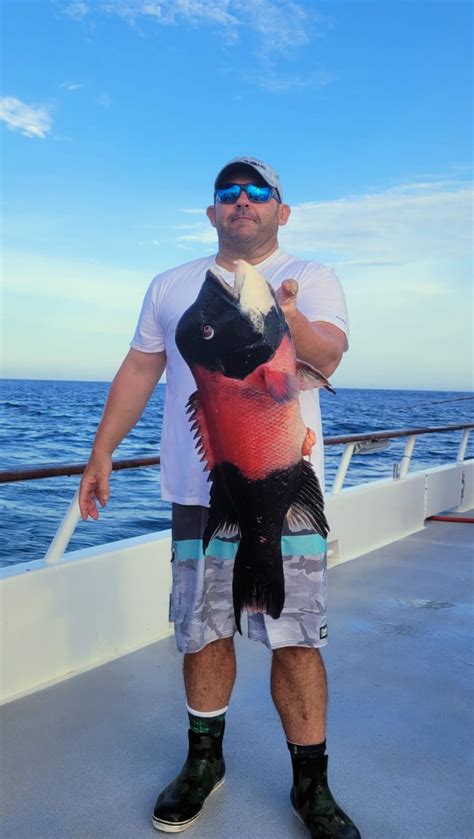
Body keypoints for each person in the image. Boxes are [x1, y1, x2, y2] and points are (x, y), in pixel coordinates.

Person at [79, 157, 361, 838]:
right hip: (198, 493)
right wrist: (101, 449)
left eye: (257, 191)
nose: (242, 201)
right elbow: (143, 365)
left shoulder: (310, 278)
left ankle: (310, 784)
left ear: (280, 211)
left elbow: (331, 353)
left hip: (286, 485)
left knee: (295, 639)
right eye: (227, 193)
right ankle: (204, 761)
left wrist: (291, 319)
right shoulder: (172, 285)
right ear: (212, 213)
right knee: (201, 632)